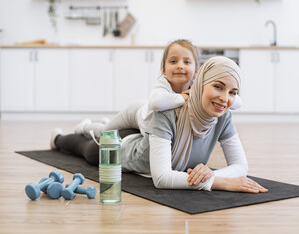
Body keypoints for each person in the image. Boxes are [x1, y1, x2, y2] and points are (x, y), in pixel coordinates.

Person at [51, 56, 267, 193]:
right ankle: (58, 139)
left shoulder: (224, 117)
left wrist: (211, 173)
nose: (224, 98)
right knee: (86, 149)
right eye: (218, 87)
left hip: (147, 138)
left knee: (99, 137)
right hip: (128, 153)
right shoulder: (167, 112)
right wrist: (216, 181)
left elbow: (241, 167)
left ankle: (99, 126)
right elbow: (162, 178)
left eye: (232, 92)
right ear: (200, 83)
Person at [72, 39, 242, 139]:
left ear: (197, 70)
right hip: (136, 114)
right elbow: (154, 103)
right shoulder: (163, 84)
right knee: (105, 135)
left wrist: (223, 95)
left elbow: (236, 103)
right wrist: (183, 98)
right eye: (173, 61)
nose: (180, 66)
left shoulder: (197, 87)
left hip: (151, 129)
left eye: (187, 62)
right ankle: (85, 126)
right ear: (163, 69)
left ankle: (104, 122)